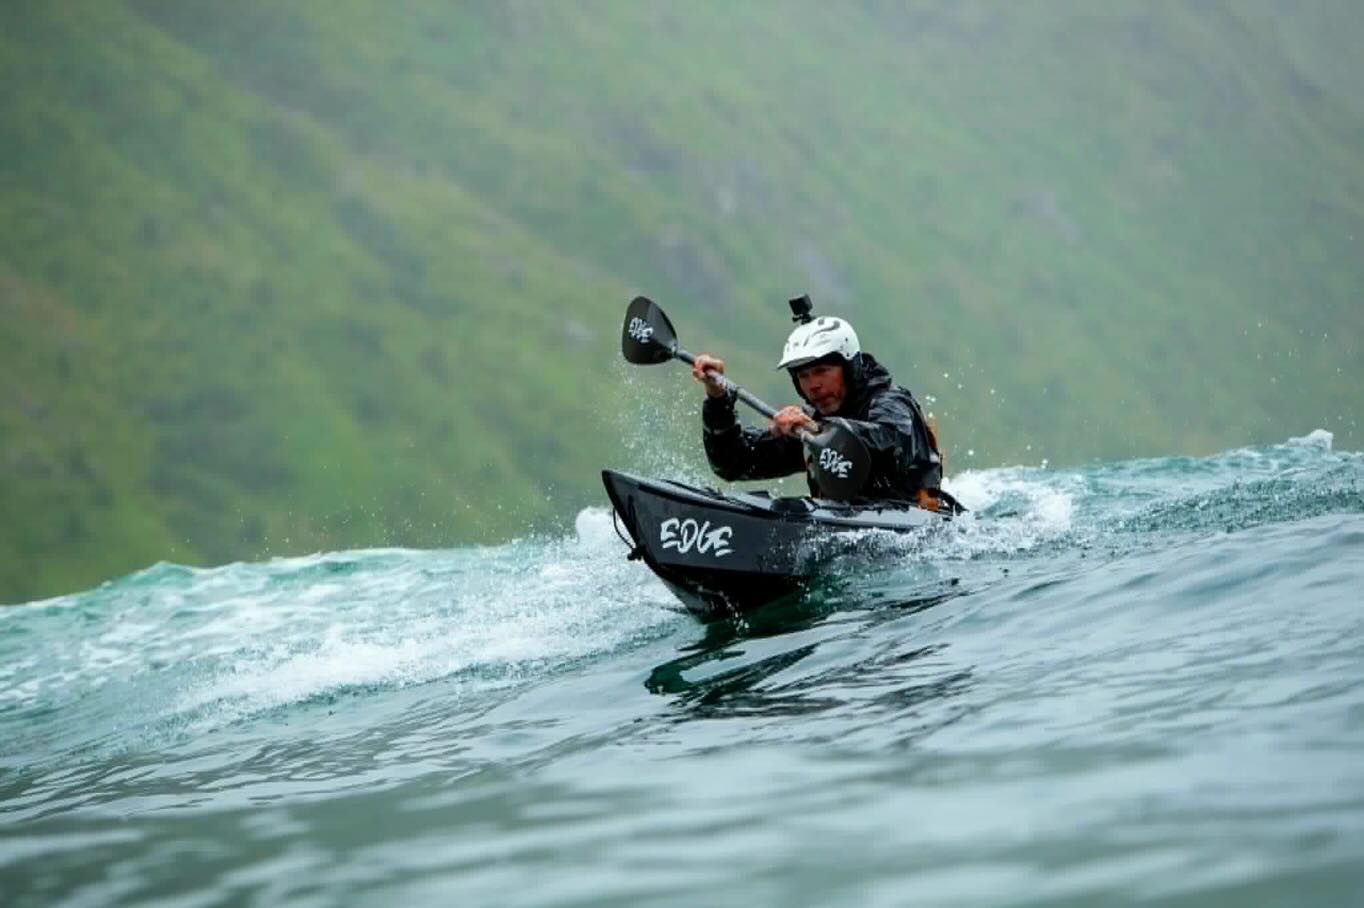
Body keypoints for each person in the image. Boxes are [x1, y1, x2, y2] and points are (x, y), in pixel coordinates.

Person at [691, 301, 954, 511]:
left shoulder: (892, 404)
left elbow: (888, 442)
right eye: (803, 376)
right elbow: (733, 463)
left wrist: (818, 429)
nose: (812, 385)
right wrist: (718, 399)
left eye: (822, 371)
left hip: (919, 537)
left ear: (850, 367)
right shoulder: (811, 430)